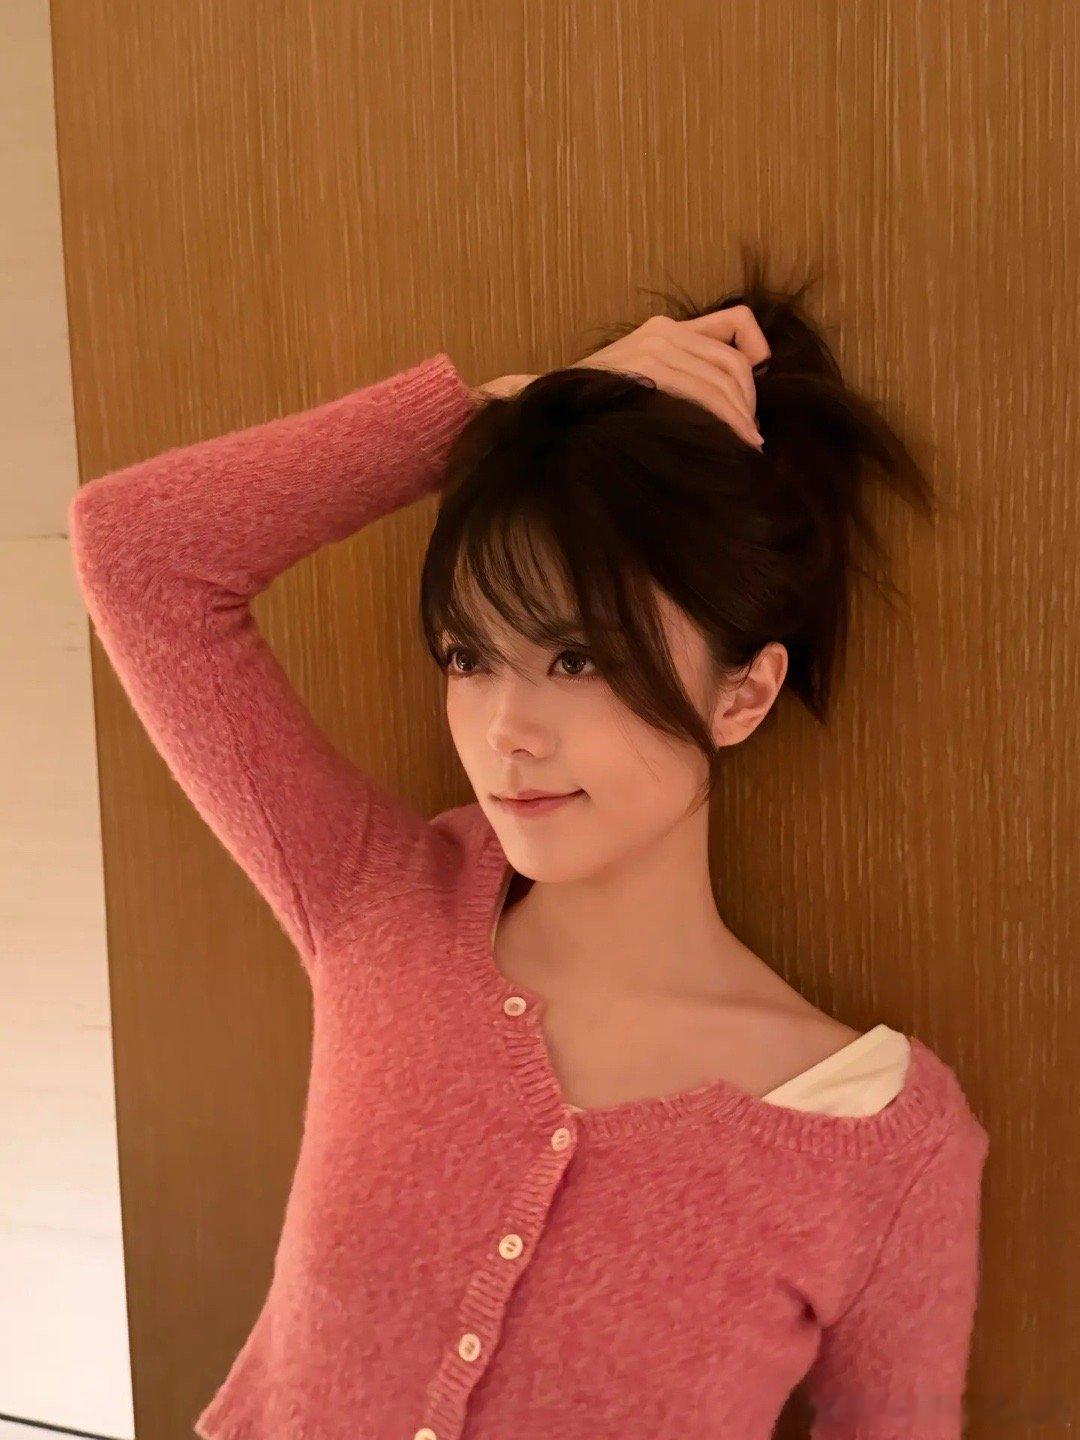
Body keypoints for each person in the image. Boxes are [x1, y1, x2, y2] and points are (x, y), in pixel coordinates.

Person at [68, 249, 989, 1440]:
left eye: (576, 657)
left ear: (744, 694)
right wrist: (508, 415)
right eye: (469, 656)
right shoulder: (377, 906)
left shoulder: (877, 1142)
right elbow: (137, 552)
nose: (505, 731)